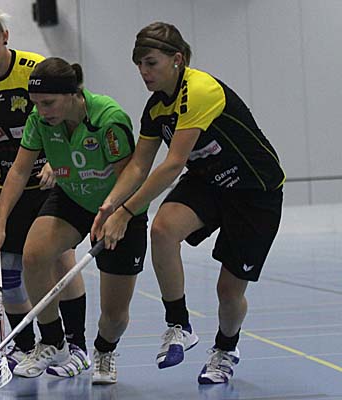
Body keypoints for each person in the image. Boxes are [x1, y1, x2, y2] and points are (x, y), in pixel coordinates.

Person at [91, 22, 285, 384]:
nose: (144, 72)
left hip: (254, 191)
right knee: (163, 230)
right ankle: (179, 325)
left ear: (177, 59)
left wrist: (128, 212)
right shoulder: (155, 108)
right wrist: (110, 205)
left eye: (151, 63)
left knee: (228, 292)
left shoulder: (199, 90)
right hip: (208, 182)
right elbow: (139, 165)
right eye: (139, 65)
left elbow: (173, 163)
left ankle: (226, 348)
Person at [0, 57, 149, 384]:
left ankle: (104, 350)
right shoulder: (40, 120)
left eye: (48, 103)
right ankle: (53, 342)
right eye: (36, 103)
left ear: (73, 94)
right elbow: (18, 171)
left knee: (114, 314)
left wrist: (116, 212)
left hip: (119, 207)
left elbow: (129, 176)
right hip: (73, 197)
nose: (41, 111)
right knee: (33, 256)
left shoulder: (108, 120)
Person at [0, 5, 88, 376]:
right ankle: (25, 346)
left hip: (51, 184)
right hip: (12, 186)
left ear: (4, 36)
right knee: (10, 271)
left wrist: (57, 161)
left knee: (60, 260)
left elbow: (70, 114)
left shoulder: (34, 70)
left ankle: (76, 344)